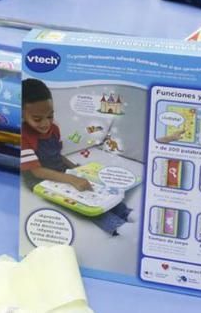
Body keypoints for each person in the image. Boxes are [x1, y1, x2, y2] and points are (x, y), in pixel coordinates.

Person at [20, 79, 133, 236]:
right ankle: (118, 226)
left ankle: (126, 213)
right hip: (39, 179)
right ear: (22, 115)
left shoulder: (54, 129)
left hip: (60, 169)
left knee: (95, 183)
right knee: (80, 201)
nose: (46, 123)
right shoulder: (23, 137)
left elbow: (56, 154)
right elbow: (37, 171)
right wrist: (72, 179)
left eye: (50, 116)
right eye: (38, 119)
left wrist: (76, 170)